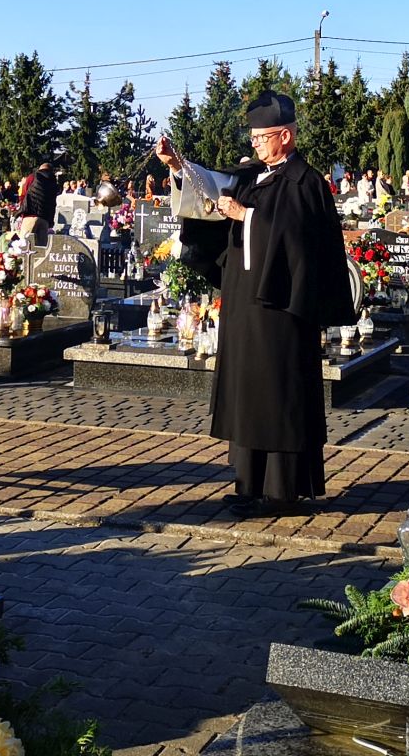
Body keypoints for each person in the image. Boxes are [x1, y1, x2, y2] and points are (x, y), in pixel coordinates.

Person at [155, 91, 354, 515]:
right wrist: (177, 165)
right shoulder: (251, 175)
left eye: (261, 137)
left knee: (277, 393)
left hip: (282, 307)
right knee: (248, 392)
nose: (255, 144)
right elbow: (209, 186)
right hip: (244, 302)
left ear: (285, 136)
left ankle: (281, 492)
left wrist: (246, 216)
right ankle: (248, 484)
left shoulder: (306, 182)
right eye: (253, 137)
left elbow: (299, 240)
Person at [17, 159, 57, 238]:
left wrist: (22, 211)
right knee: (41, 244)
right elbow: (53, 203)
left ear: (40, 169)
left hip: (30, 216)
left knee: (25, 243)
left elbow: (23, 195)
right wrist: (50, 221)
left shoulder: (32, 177)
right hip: (45, 219)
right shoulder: (53, 182)